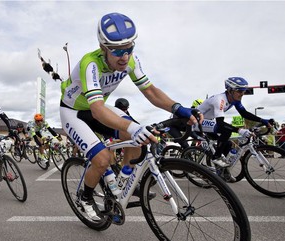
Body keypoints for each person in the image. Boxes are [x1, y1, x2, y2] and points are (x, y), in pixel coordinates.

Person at [59, 12, 201, 221]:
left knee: (136, 138)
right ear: (103, 48)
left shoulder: (131, 61)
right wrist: (133, 129)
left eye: (129, 48)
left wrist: (178, 109)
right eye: (117, 51)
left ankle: (124, 182)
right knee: (103, 159)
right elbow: (98, 110)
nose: (124, 56)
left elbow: (151, 92)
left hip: (97, 107)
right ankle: (85, 197)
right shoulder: (90, 64)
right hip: (73, 112)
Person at [196, 77, 272, 167]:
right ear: (230, 90)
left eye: (244, 91)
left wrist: (262, 120)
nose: (242, 94)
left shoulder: (235, 100)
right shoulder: (220, 100)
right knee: (226, 131)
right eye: (240, 91)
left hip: (208, 121)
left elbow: (244, 113)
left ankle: (222, 171)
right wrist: (240, 130)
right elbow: (220, 123)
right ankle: (216, 157)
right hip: (197, 121)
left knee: (227, 144)